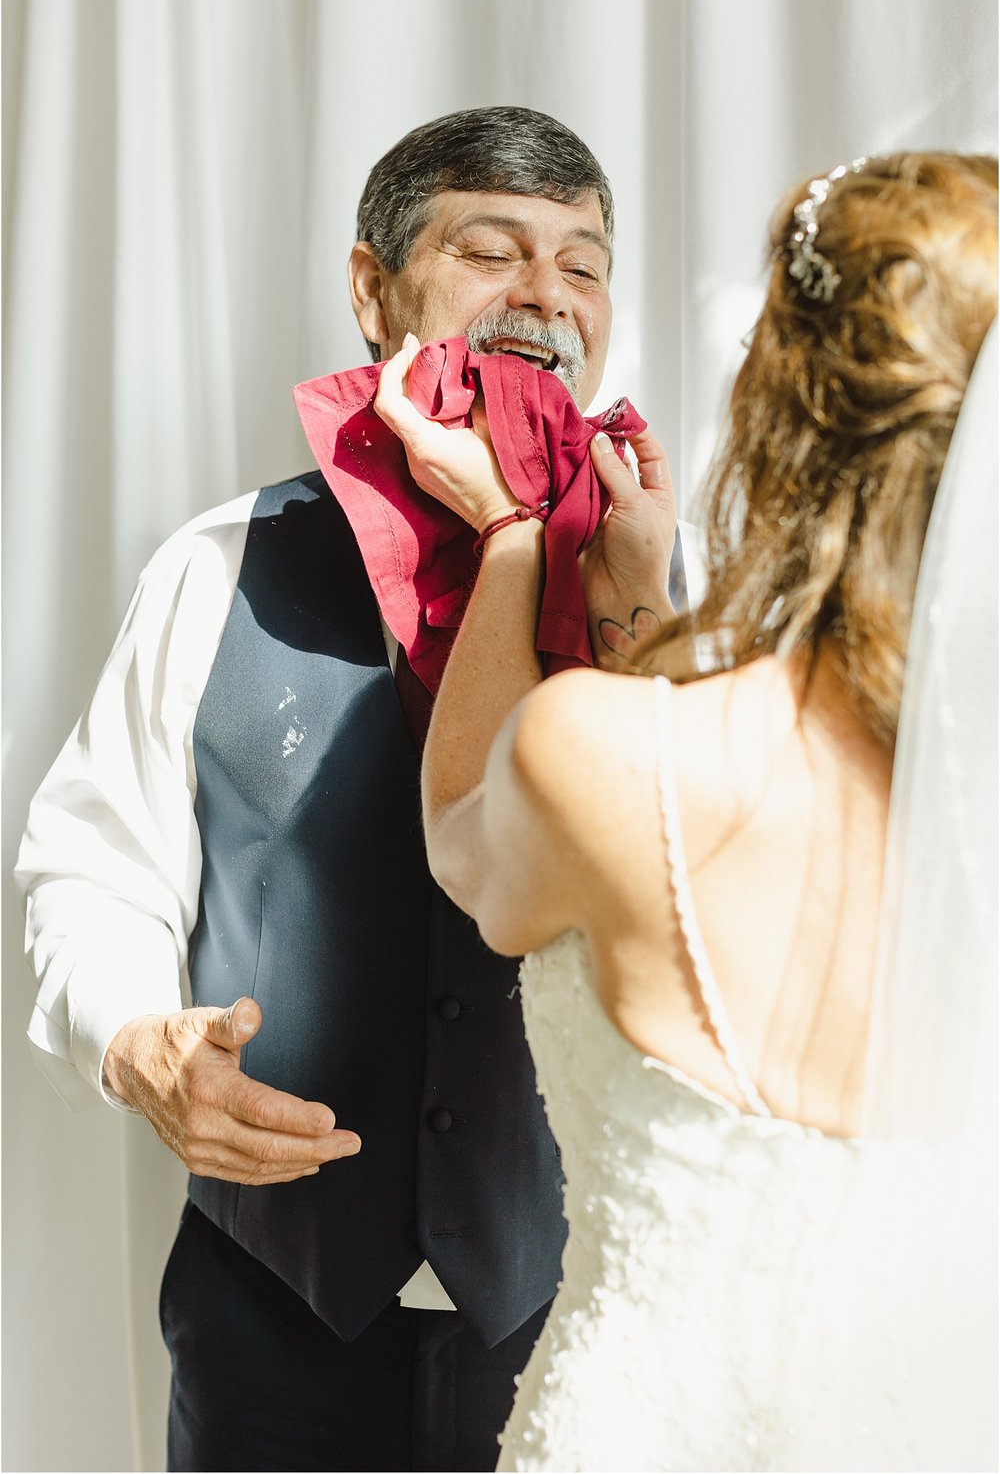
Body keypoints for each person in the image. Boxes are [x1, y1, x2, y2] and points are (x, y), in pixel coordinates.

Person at [15, 107, 691, 1473]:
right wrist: (135, 1035)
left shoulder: (683, 595)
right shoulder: (215, 567)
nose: (545, 299)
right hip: (272, 1323)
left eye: (583, 263)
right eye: (491, 251)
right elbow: (89, 867)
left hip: (593, 1316)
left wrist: (649, 616)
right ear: (373, 289)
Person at [374, 152, 998, 1470]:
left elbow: (469, 844)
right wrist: (637, 602)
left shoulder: (607, 753)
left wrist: (510, 545)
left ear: (779, 416)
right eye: (493, 252)